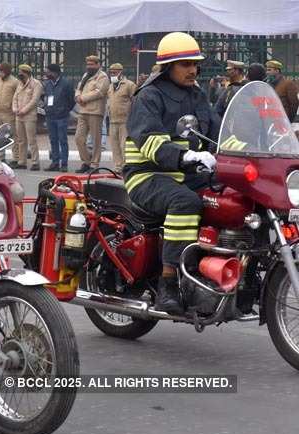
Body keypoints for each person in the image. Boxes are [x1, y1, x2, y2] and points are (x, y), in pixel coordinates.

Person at [125, 32, 220, 315]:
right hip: (148, 175)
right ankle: (169, 281)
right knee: (186, 202)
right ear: (168, 67)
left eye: (195, 64)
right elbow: (150, 140)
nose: (192, 70)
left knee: (232, 196)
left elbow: (218, 132)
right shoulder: (149, 96)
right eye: (185, 64)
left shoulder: (198, 95)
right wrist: (186, 155)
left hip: (189, 174)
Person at [74, 55, 110, 173]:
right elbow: (79, 88)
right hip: (83, 111)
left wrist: (82, 98)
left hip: (95, 112)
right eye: (88, 64)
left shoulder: (103, 77)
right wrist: (78, 96)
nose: (89, 67)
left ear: (98, 65)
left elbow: (99, 92)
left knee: (96, 140)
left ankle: (94, 165)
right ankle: (86, 162)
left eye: (91, 64)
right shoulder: (86, 75)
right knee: (79, 138)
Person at [43, 63, 75, 172]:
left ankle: (64, 163)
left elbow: (71, 100)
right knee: (53, 140)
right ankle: (55, 162)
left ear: (54, 72)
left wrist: (65, 110)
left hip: (62, 117)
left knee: (62, 140)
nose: (46, 73)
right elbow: (45, 98)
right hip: (50, 116)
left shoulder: (66, 83)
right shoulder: (47, 84)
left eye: (48, 71)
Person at [11, 64, 43, 170]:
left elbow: (34, 100)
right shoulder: (19, 83)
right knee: (21, 140)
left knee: (31, 140)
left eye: (22, 72)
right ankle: (22, 161)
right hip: (18, 115)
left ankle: (35, 162)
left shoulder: (36, 84)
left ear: (27, 73)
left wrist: (23, 110)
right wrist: (15, 109)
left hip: (29, 116)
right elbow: (15, 98)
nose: (20, 74)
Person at [106, 63, 136, 174]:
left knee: (124, 145)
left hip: (125, 120)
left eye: (114, 72)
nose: (112, 74)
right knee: (115, 145)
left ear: (120, 72)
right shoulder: (110, 86)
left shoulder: (129, 85)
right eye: (111, 72)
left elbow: (135, 101)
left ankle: (126, 166)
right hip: (113, 120)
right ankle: (118, 167)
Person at [0, 63, 19, 163]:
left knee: (12, 136)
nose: (0, 73)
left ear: (7, 71)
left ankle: (15, 158)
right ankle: (0, 157)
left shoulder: (14, 82)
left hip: (9, 113)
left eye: (2, 71)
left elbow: (17, 97)